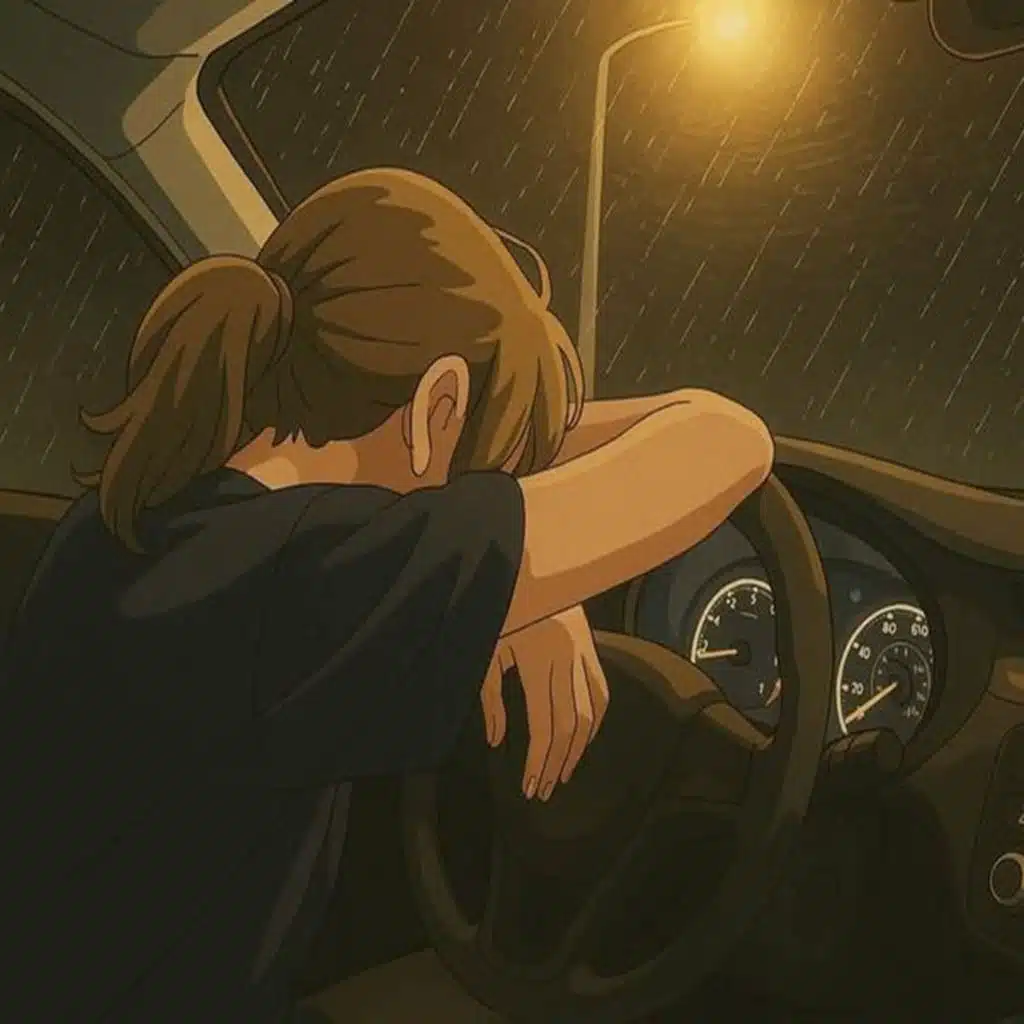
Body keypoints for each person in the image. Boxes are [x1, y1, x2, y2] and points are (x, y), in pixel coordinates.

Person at [0, 167, 773, 1023]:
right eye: (481, 456)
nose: (479, 486)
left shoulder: (140, 524)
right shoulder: (312, 575)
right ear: (438, 406)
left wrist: (527, 591)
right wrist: (528, 577)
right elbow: (728, 438)